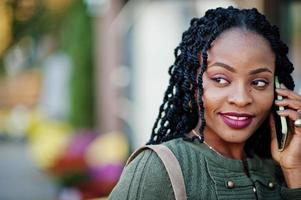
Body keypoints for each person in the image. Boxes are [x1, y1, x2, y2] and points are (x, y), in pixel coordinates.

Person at [109, 6, 301, 199]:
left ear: (277, 89)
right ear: (192, 82)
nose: (242, 99)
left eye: (259, 82)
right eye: (220, 79)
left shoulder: (278, 167)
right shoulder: (157, 169)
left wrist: (293, 169)